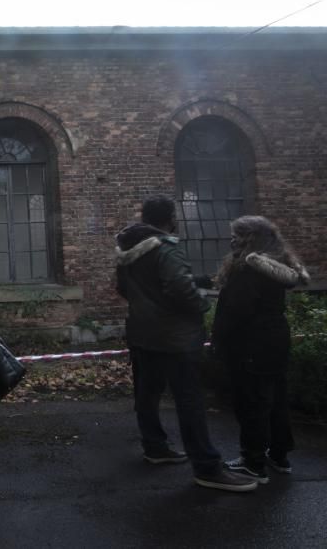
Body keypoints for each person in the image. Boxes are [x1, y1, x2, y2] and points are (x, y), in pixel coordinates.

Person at [115, 194, 257, 492]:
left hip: (142, 333)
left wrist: (152, 307)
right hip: (175, 338)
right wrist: (201, 306)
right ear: (170, 218)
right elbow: (177, 286)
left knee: (147, 393)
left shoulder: (127, 248)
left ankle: (155, 447)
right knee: (189, 400)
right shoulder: (166, 247)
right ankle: (207, 467)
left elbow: (124, 287)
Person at [212, 216, 309, 482]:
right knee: (275, 398)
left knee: (252, 402)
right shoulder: (277, 266)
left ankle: (253, 462)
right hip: (275, 340)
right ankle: (279, 455)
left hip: (250, 344)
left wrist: (218, 340)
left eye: (238, 235)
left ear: (252, 238)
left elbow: (234, 311)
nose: (232, 239)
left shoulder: (249, 269)